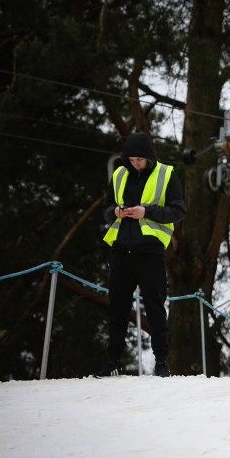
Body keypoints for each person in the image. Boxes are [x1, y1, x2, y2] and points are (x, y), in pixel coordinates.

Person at [94, 132, 186, 378]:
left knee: (155, 308)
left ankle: (161, 362)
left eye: (140, 160)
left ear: (149, 157)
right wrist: (115, 212)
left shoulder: (167, 174)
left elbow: (178, 211)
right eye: (132, 159)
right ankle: (113, 361)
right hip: (121, 251)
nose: (135, 164)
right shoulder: (119, 174)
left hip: (150, 251)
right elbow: (105, 210)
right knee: (117, 309)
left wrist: (146, 211)